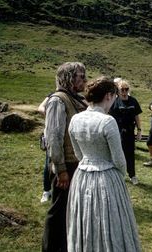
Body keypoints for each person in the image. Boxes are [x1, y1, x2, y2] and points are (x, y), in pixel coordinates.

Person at [67, 77, 142, 252]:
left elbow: (78, 154)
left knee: (86, 219)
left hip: (82, 177)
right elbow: (119, 159)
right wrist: (118, 176)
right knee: (110, 222)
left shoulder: (75, 119)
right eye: (115, 96)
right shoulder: (107, 121)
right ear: (109, 95)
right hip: (106, 179)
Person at [42, 62, 88, 252]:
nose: (84, 79)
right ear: (68, 78)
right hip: (66, 166)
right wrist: (60, 170)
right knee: (59, 213)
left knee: (72, 212)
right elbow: (53, 137)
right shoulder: (58, 100)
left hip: (77, 164)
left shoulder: (76, 99)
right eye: (80, 76)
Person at [109, 78, 143, 185]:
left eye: (126, 89)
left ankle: (132, 175)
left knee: (130, 154)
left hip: (129, 132)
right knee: (118, 153)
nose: (124, 92)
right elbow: (109, 117)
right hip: (117, 131)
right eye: (122, 90)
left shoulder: (133, 101)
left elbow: (136, 116)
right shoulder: (114, 102)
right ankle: (119, 175)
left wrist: (139, 130)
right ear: (118, 90)